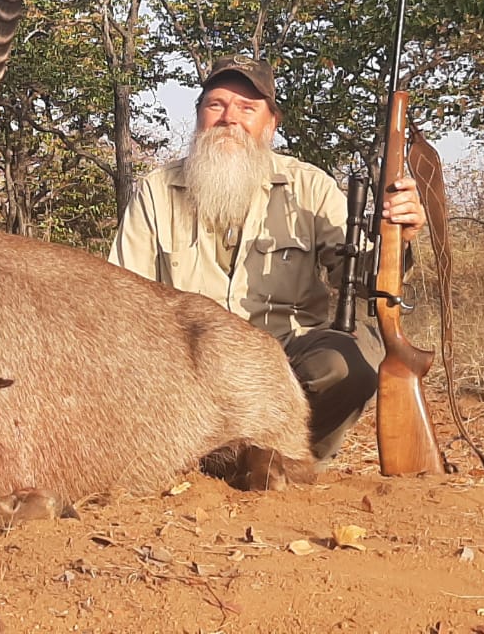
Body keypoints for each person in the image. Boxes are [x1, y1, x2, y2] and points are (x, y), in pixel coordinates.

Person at [108, 56, 426, 469]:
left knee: (348, 362)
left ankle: (291, 460)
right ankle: (207, 459)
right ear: (199, 118)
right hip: (187, 362)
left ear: (271, 124)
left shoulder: (309, 186)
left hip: (286, 359)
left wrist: (399, 237)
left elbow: (366, 280)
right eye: (216, 105)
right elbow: (120, 296)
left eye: (247, 108)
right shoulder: (157, 190)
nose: (229, 119)